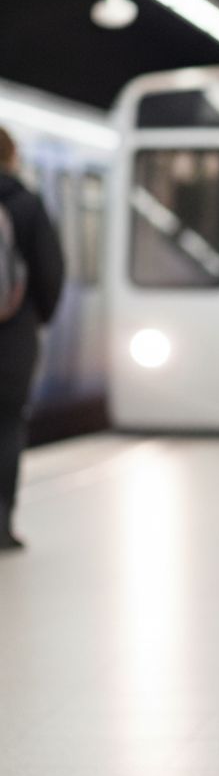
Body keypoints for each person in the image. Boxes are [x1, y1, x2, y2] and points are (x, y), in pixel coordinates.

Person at [0, 128, 64, 549]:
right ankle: (1, 525)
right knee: (7, 426)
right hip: (13, 334)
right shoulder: (25, 203)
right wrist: (35, 317)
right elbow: (50, 270)